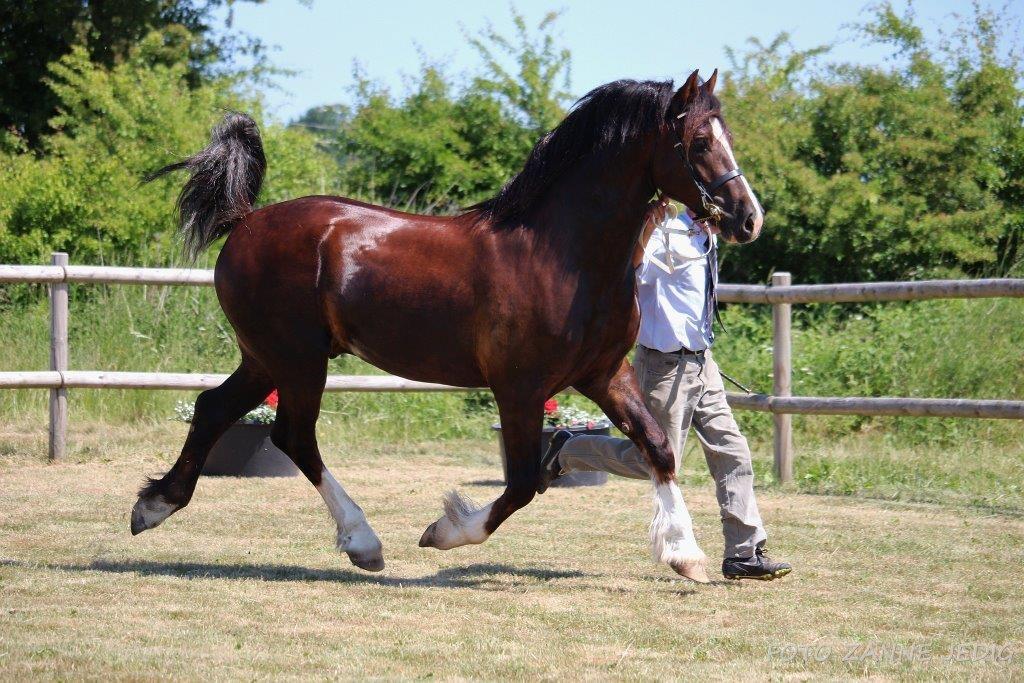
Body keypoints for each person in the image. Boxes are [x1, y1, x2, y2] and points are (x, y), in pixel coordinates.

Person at [538, 199, 791, 581]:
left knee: (732, 450)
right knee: (649, 460)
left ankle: (743, 552)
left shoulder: (704, 236)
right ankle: (568, 450)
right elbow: (632, 272)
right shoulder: (663, 234)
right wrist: (645, 232)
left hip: (703, 363)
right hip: (664, 366)